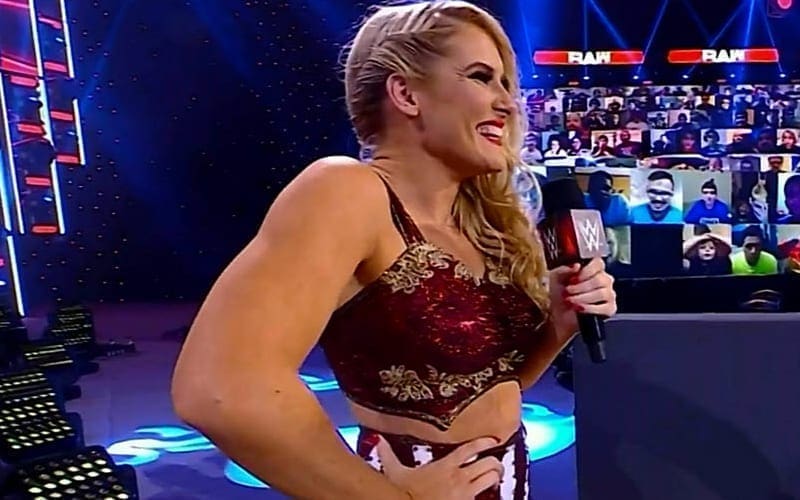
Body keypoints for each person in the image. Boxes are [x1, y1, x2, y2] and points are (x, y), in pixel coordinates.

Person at [170, 3, 617, 500]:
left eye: (506, 84)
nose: (507, 104)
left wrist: (556, 325)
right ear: (406, 94)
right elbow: (220, 389)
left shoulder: (485, 224)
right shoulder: (346, 191)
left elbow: (486, 386)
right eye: (480, 77)